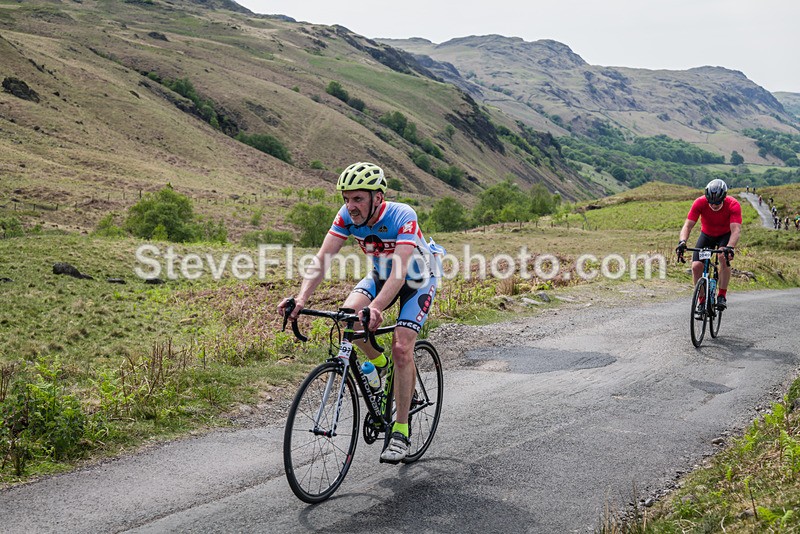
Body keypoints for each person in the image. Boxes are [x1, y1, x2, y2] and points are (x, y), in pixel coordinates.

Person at [277, 162, 439, 464]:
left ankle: (401, 432)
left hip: (416, 280)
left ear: (378, 197)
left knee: (402, 347)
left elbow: (401, 273)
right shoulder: (345, 217)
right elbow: (322, 259)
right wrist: (300, 298)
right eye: (346, 198)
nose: (350, 206)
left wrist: (376, 307)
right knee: (348, 319)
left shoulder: (403, 216)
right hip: (379, 276)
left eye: (358, 199)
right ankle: (380, 364)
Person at [676, 179, 741, 312]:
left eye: (717, 202)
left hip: (725, 236)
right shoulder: (699, 202)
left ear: (723, 198)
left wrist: (730, 247)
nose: (714, 205)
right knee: (696, 266)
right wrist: (682, 242)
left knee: (723, 258)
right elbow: (687, 225)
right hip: (707, 235)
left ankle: (722, 295)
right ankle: (701, 301)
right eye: (711, 202)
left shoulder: (733, 204)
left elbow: (735, 230)